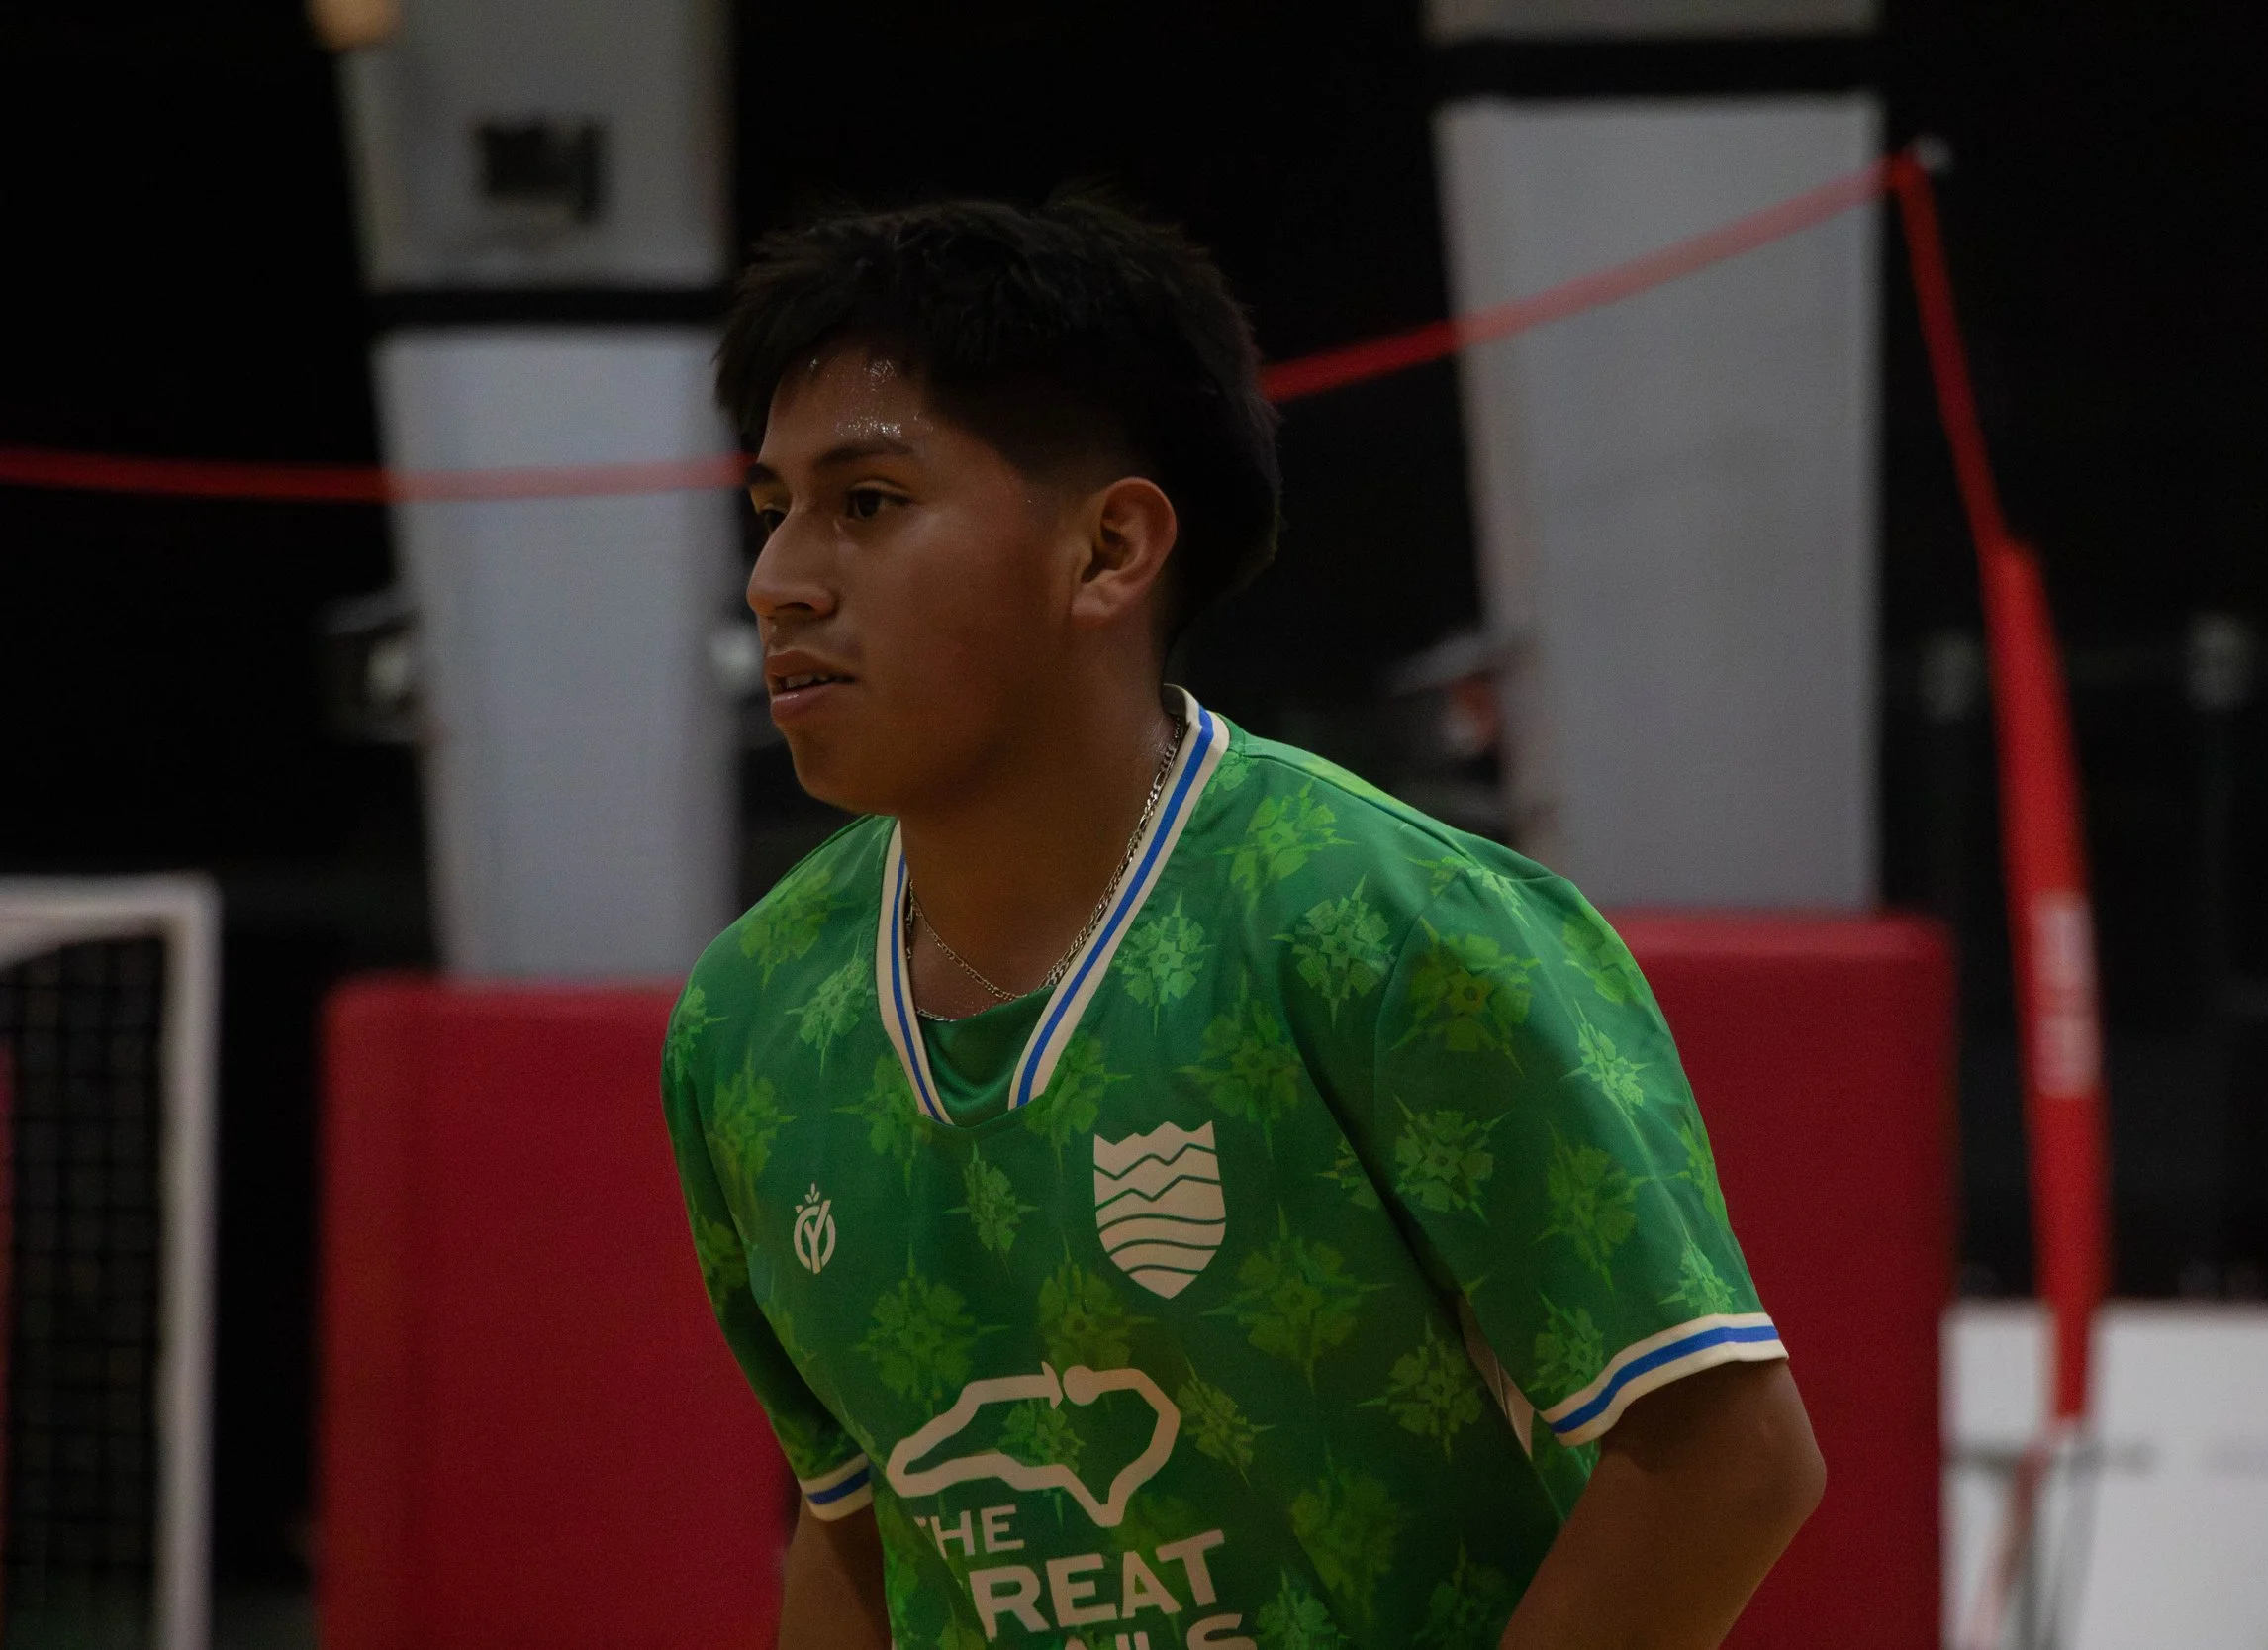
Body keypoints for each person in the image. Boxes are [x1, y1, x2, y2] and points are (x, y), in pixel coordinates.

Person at [661, 195, 1824, 1650]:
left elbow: (1728, 1459)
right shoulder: (743, 1021)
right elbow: (850, 1522)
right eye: (770, 511)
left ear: (1108, 551)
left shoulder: (1395, 930)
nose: (778, 580)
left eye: (869, 503)